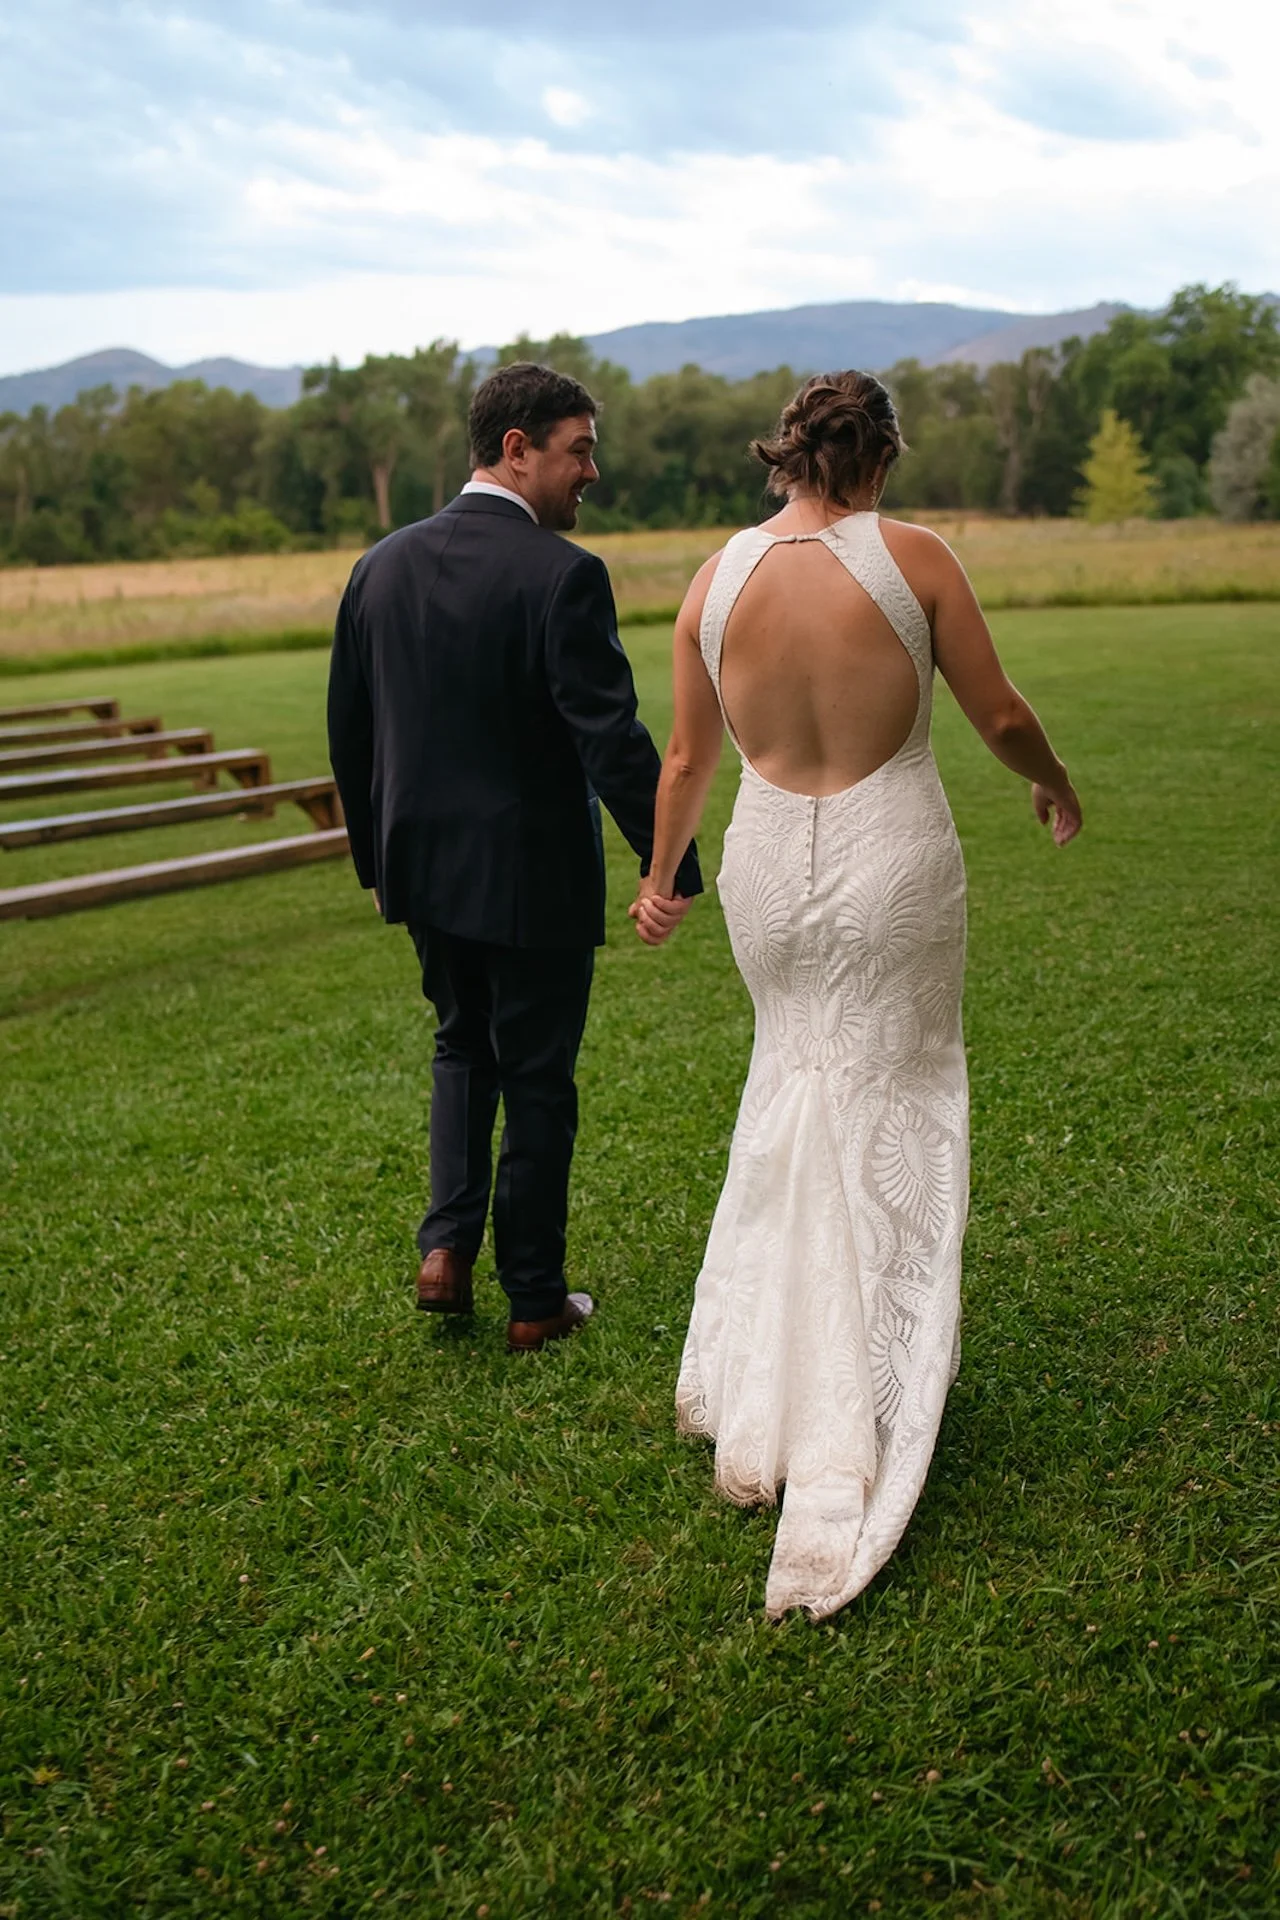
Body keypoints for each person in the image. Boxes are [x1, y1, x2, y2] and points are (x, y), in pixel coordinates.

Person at [633, 370, 1081, 1618]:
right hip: (891, 855)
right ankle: (864, 1390)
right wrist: (1049, 780)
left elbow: (683, 756)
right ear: (878, 456)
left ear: (786, 456)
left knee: (791, 1086)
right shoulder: (915, 557)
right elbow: (993, 710)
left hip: (768, 868)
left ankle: (766, 1383)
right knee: (890, 1096)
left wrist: (663, 875)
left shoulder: (714, 581)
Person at [328, 362, 701, 1353]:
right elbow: (611, 740)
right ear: (515, 448)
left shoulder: (381, 567)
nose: (592, 471)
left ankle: (445, 1249)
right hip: (531, 879)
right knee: (535, 1078)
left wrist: (379, 865)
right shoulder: (561, 575)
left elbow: (349, 737)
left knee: (460, 1046)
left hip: (423, 873)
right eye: (578, 449)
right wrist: (670, 866)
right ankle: (535, 1300)